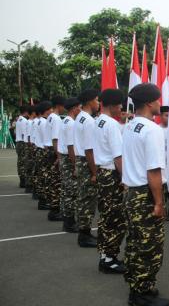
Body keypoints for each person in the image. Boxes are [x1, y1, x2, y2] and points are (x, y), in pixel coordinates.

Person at [122, 83, 169, 306]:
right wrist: (159, 202)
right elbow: (153, 171)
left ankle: (140, 287)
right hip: (145, 195)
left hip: (133, 192)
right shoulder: (152, 129)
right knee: (149, 246)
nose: (160, 104)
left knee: (135, 243)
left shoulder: (131, 125)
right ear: (150, 103)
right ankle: (140, 295)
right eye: (158, 100)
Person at [92, 89, 127, 274]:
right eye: (120, 104)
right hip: (111, 175)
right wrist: (126, 179)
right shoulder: (111, 125)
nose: (121, 108)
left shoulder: (98, 121)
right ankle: (110, 259)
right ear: (113, 105)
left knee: (106, 217)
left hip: (102, 172)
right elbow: (118, 157)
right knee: (115, 219)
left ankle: (105, 256)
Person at [74, 89, 100, 248]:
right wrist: (95, 172)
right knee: (88, 200)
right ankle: (84, 235)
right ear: (90, 101)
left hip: (81, 160)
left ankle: (84, 232)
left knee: (83, 197)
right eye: (96, 100)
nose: (98, 103)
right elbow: (89, 150)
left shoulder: (80, 118)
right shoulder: (88, 121)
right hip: (86, 161)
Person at [58, 97, 81, 233]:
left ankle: (68, 220)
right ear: (74, 108)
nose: (80, 109)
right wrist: (75, 166)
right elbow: (71, 147)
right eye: (79, 107)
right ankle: (69, 222)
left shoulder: (65, 121)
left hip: (65, 158)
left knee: (67, 190)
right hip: (69, 158)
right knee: (71, 192)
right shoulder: (71, 123)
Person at [46, 96, 66, 221]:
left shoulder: (50, 117)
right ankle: (55, 210)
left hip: (49, 150)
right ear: (59, 105)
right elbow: (55, 139)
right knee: (56, 182)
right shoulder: (56, 119)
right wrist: (59, 156)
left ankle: (53, 208)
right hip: (54, 151)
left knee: (53, 180)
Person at [37, 101, 53, 211]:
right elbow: (47, 138)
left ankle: (43, 200)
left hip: (40, 149)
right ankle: (44, 201)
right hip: (43, 150)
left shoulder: (40, 122)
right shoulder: (43, 123)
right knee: (45, 176)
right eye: (50, 109)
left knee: (42, 176)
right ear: (46, 110)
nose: (51, 111)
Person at [15, 106, 29, 188]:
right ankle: (24, 181)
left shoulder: (18, 120)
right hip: (23, 142)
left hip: (18, 142)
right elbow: (24, 134)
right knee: (24, 162)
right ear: (26, 111)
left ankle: (22, 180)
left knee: (20, 162)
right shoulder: (24, 121)